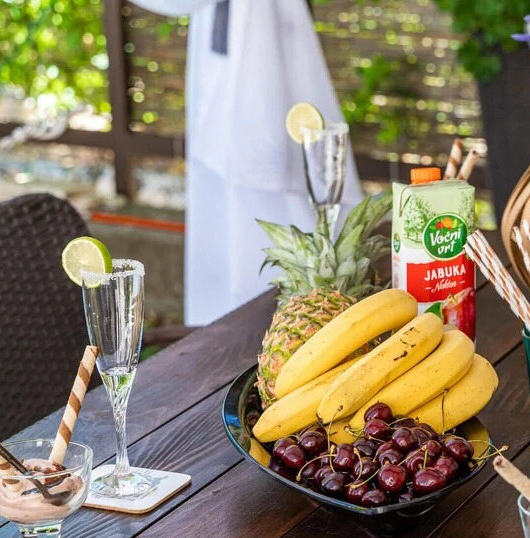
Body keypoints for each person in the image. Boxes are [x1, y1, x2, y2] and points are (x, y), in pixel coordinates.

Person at [130, 0, 362, 325]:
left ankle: (306, 319)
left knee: (284, 203)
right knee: (234, 220)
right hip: (225, 63)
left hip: (270, 63)